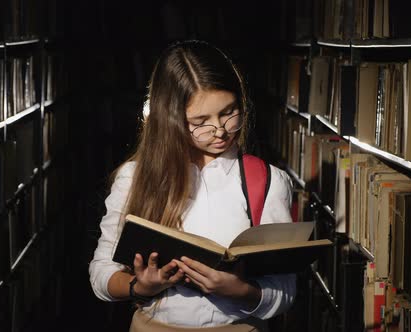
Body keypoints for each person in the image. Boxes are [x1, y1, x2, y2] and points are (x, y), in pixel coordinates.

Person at [89, 40, 296, 331]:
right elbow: (100, 274)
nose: (221, 130)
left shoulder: (267, 180)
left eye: (229, 112)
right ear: (171, 121)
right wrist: (140, 287)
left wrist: (240, 290)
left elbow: (286, 289)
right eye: (201, 121)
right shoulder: (134, 178)